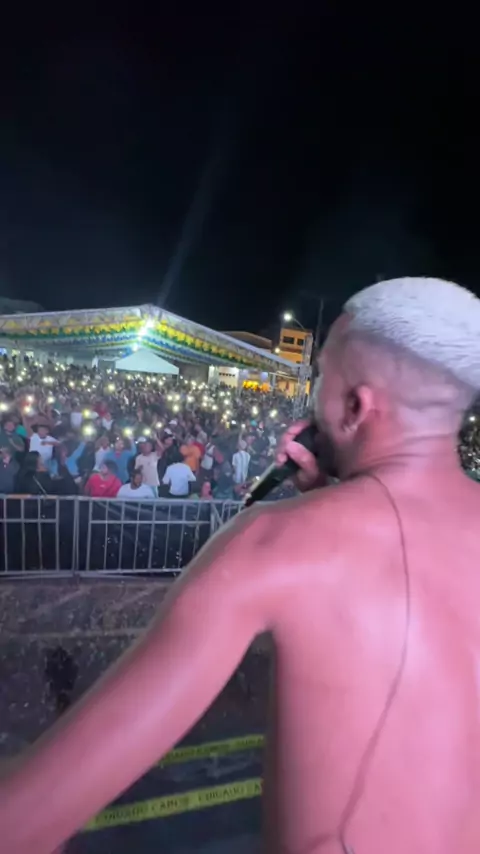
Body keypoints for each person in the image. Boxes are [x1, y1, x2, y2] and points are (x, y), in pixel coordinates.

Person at [2, 277, 480, 854]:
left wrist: (307, 518)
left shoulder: (273, 543)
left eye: (319, 376)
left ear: (356, 406)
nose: (311, 395)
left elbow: (29, 816)